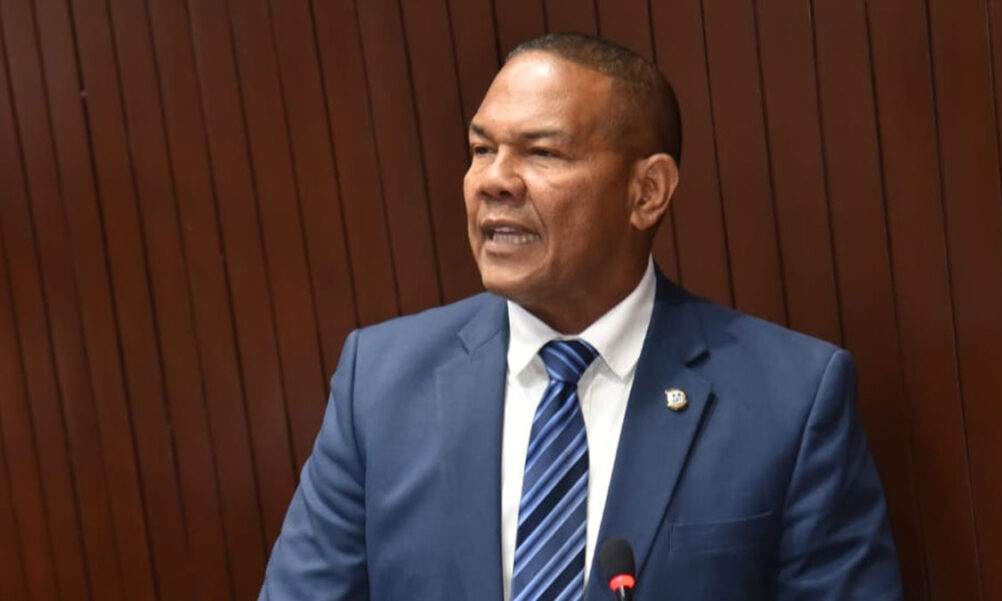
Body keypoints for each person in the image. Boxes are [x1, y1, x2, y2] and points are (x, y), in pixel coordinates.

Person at [259, 33, 902, 600]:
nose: (494, 181)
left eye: (542, 153)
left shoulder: (789, 400)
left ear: (647, 191)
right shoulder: (379, 385)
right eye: (481, 149)